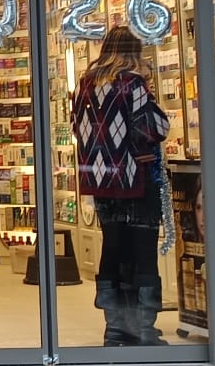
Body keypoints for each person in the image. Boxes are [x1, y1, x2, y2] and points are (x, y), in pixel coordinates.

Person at [71, 24, 171, 345]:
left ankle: (115, 326)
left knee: (113, 248)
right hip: (134, 179)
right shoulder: (133, 83)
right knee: (142, 251)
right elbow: (154, 129)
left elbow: (77, 128)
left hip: (100, 180)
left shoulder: (85, 84)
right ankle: (143, 327)